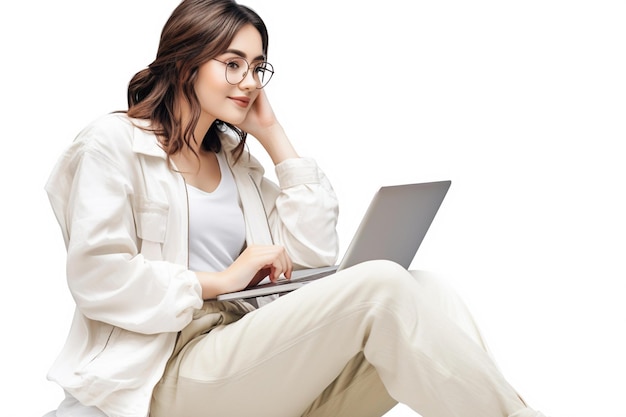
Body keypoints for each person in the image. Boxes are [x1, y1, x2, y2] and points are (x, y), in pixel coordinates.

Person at [43, 0, 549, 416]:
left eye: (258, 67)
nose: (249, 81)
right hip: (167, 373)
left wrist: (272, 135)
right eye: (233, 63)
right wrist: (220, 280)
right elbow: (97, 277)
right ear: (186, 62)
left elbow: (310, 256)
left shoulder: (238, 163)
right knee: (381, 287)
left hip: (244, 354)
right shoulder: (113, 143)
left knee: (426, 288)